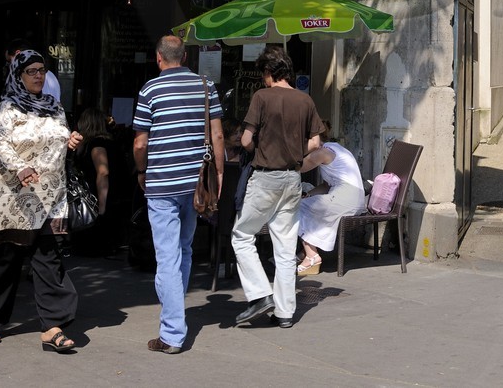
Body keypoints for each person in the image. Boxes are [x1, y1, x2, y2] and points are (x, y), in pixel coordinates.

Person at [0, 50, 83, 350]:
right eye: (31, 71)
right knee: (4, 260)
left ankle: (52, 326)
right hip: (11, 198)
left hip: (47, 196)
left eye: (42, 70)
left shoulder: (54, 107)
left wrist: (70, 140)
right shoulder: (9, 108)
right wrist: (20, 166)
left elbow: (59, 139)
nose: (38, 75)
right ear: (18, 76)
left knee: (48, 259)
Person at [133, 35, 224, 355]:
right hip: (196, 183)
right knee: (183, 249)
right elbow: (217, 134)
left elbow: (140, 143)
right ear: (184, 57)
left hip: (162, 184)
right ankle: (175, 313)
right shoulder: (205, 86)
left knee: (168, 257)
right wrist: (220, 175)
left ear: (159, 58)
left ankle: (172, 332)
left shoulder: (149, 90)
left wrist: (141, 172)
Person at [231, 45, 325, 330]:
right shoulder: (305, 100)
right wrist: (295, 153)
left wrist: (259, 142)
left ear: (270, 72)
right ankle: (285, 312)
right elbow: (316, 143)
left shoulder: (262, 97)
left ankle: (260, 294)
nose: (262, 79)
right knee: (285, 248)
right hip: (292, 178)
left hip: (266, 177)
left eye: (263, 73)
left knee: (241, 235)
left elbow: (246, 140)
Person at [294, 137, 365, 277]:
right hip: (351, 198)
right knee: (306, 204)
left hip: (345, 198)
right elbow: (327, 185)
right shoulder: (335, 148)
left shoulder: (323, 153)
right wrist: (308, 194)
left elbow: (297, 168)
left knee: (294, 207)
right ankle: (306, 251)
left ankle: (311, 256)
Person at [70, 107, 128, 257]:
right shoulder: (108, 142)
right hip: (115, 195)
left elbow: (103, 172)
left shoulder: (97, 145)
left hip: (101, 195)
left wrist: (101, 207)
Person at [6, 39, 61, 104]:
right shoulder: (51, 75)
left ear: (18, 54)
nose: (39, 76)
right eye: (32, 71)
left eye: (10, 61)